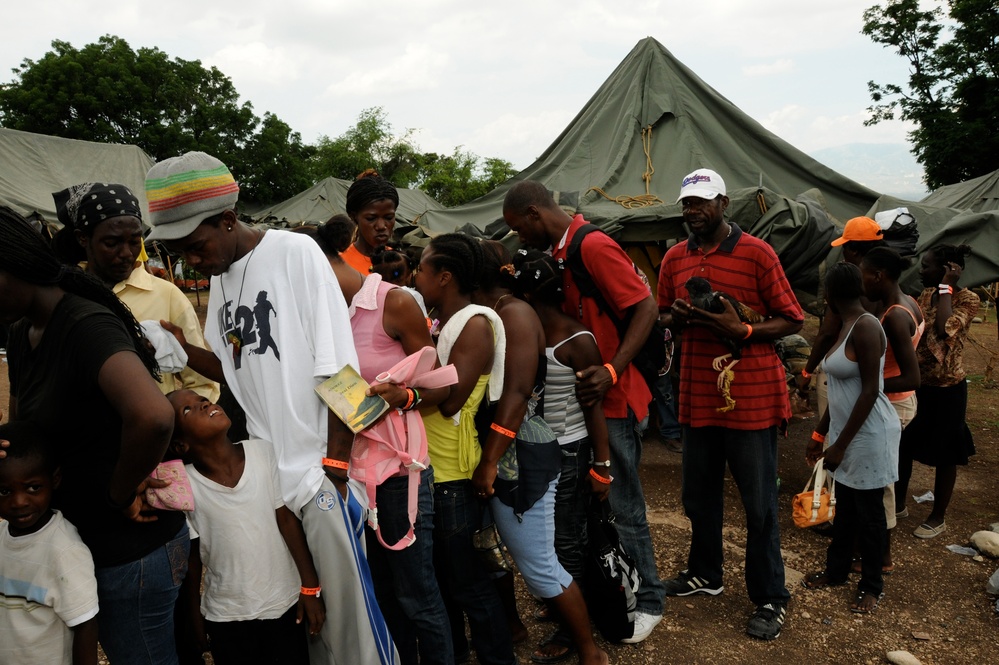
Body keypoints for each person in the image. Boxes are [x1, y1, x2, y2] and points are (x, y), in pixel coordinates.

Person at [147, 151, 398, 665]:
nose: (190, 262)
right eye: (177, 253)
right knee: (313, 627)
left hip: (317, 476)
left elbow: (343, 372)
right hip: (270, 485)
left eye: (194, 247)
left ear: (228, 219)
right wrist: (178, 349)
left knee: (356, 632)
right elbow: (237, 370)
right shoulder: (220, 279)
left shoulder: (294, 253)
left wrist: (334, 470)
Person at [1, 206, 187, 664]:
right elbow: (28, 427)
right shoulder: (25, 331)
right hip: (92, 548)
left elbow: (153, 415)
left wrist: (118, 493)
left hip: (132, 552)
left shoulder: (85, 325)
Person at [502, 180, 665, 644]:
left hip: (611, 396)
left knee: (623, 505)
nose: (519, 238)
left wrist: (612, 370)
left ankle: (649, 600)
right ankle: (599, 595)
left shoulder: (591, 245)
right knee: (587, 515)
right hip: (588, 399)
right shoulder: (561, 248)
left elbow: (646, 306)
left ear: (535, 213)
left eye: (519, 227)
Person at [657, 168, 802, 641]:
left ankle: (770, 597)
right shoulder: (675, 258)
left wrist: (743, 332)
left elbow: (791, 319)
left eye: (700, 203)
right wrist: (674, 317)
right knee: (698, 497)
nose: (692, 211)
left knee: (759, 506)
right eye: (686, 204)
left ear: (723, 203)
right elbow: (659, 313)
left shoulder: (757, 253)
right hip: (698, 396)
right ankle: (706, 574)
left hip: (752, 401)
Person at [346, 174, 455, 665]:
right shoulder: (330, 307)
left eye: (389, 217)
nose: (383, 227)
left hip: (398, 470)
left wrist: (403, 396)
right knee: (382, 589)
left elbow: (444, 385)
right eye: (373, 218)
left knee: (417, 592)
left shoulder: (396, 302)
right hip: (349, 470)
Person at [414, 233, 517, 665]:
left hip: (453, 473)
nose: (414, 275)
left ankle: (498, 658)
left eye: (421, 269)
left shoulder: (475, 323)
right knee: (443, 580)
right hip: (432, 466)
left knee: (469, 584)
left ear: (445, 276)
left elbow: (453, 398)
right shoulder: (442, 321)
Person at [509, 248, 614, 662]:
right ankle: (561, 603)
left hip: (570, 451)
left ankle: (571, 633)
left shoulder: (576, 340)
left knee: (567, 540)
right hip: (539, 450)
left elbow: (594, 408)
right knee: (548, 537)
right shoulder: (527, 329)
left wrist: (602, 467)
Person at [167, 390, 322, 664]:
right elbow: (192, 563)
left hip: (284, 604)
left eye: (202, 399)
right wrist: (194, 618)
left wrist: (310, 587)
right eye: (188, 410)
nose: (204, 404)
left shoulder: (263, 451)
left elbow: (287, 521)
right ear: (180, 446)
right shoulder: (184, 485)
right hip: (227, 616)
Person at [51, 182, 219, 400]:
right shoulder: (63, 294)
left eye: (134, 241)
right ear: (83, 238)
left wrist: (178, 427)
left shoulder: (166, 295)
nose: (127, 254)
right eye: (112, 243)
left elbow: (202, 383)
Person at [802, 262, 901, 614]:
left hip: (870, 433)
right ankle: (837, 571)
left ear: (829, 295)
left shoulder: (866, 327)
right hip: (847, 432)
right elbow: (842, 390)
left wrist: (841, 445)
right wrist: (821, 433)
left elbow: (872, 391)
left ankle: (872, 586)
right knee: (844, 510)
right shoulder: (844, 325)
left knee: (870, 515)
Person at [895, 244, 979, 539]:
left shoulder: (969, 300)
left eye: (928, 265)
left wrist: (946, 288)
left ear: (947, 271)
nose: (921, 270)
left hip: (947, 389)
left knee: (947, 453)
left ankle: (937, 516)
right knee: (903, 445)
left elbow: (945, 330)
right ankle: (897, 503)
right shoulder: (925, 295)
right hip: (918, 384)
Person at [0, 421, 99, 665]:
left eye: (33, 488)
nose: (19, 502)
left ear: (54, 479)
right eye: (4, 492)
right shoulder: (2, 534)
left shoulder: (64, 551)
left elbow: (86, 625)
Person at [858, 247, 923, 571]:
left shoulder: (896, 315)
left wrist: (870, 386)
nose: (861, 283)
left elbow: (912, 376)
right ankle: (876, 549)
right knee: (881, 478)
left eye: (864, 276)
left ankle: (881, 556)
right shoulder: (908, 302)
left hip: (893, 405)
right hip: (897, 403)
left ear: (879, 276)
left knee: (879, 482)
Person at [342, 170, 397, 275]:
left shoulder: (400, 262)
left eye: (389, 217)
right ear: (354, 216)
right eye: (371, 218)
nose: (381, 226)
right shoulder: (340, 265)